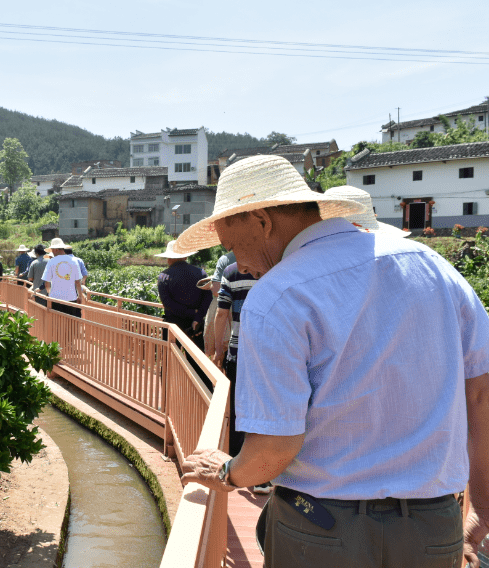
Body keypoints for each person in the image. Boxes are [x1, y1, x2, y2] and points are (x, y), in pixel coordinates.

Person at [174, 154, 489, 568]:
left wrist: (227, 473)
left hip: (322, 528)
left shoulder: (278, 296)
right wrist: (481, 510)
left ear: (263, 221)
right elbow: (481, 394)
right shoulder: (433, 266)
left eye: (233, 247)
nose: (240, 265)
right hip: (433, 526)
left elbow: (273, 449)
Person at [212, 261, 263, 493]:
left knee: (236, 409)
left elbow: (222, 311)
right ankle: (263, 476)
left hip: (238, 350)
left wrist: (217, 352)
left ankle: (236, 469)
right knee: (264, 408)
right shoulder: (275, 264)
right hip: (268, 351)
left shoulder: (230, 272)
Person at [155, 240, 210, 353]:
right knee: (196, 365)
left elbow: (167, 303)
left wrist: (192, 313)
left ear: (169, 258)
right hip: (196, 326)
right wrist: (197, 317)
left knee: (168, 362)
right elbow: (208, 299)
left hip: (173, 327)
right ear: (185, 257)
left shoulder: (164, 276)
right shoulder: (201, 273)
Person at [42, 238, 82, 318]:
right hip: (71, 298)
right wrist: (80, 296)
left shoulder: (51, 261)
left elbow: (47, 282)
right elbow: (78, 281)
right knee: (71, 323)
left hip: (55, 299)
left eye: (52, 250)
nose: (52, 252)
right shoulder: (74, 261)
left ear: (56, 249)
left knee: (57, 324)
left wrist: (50, 294)